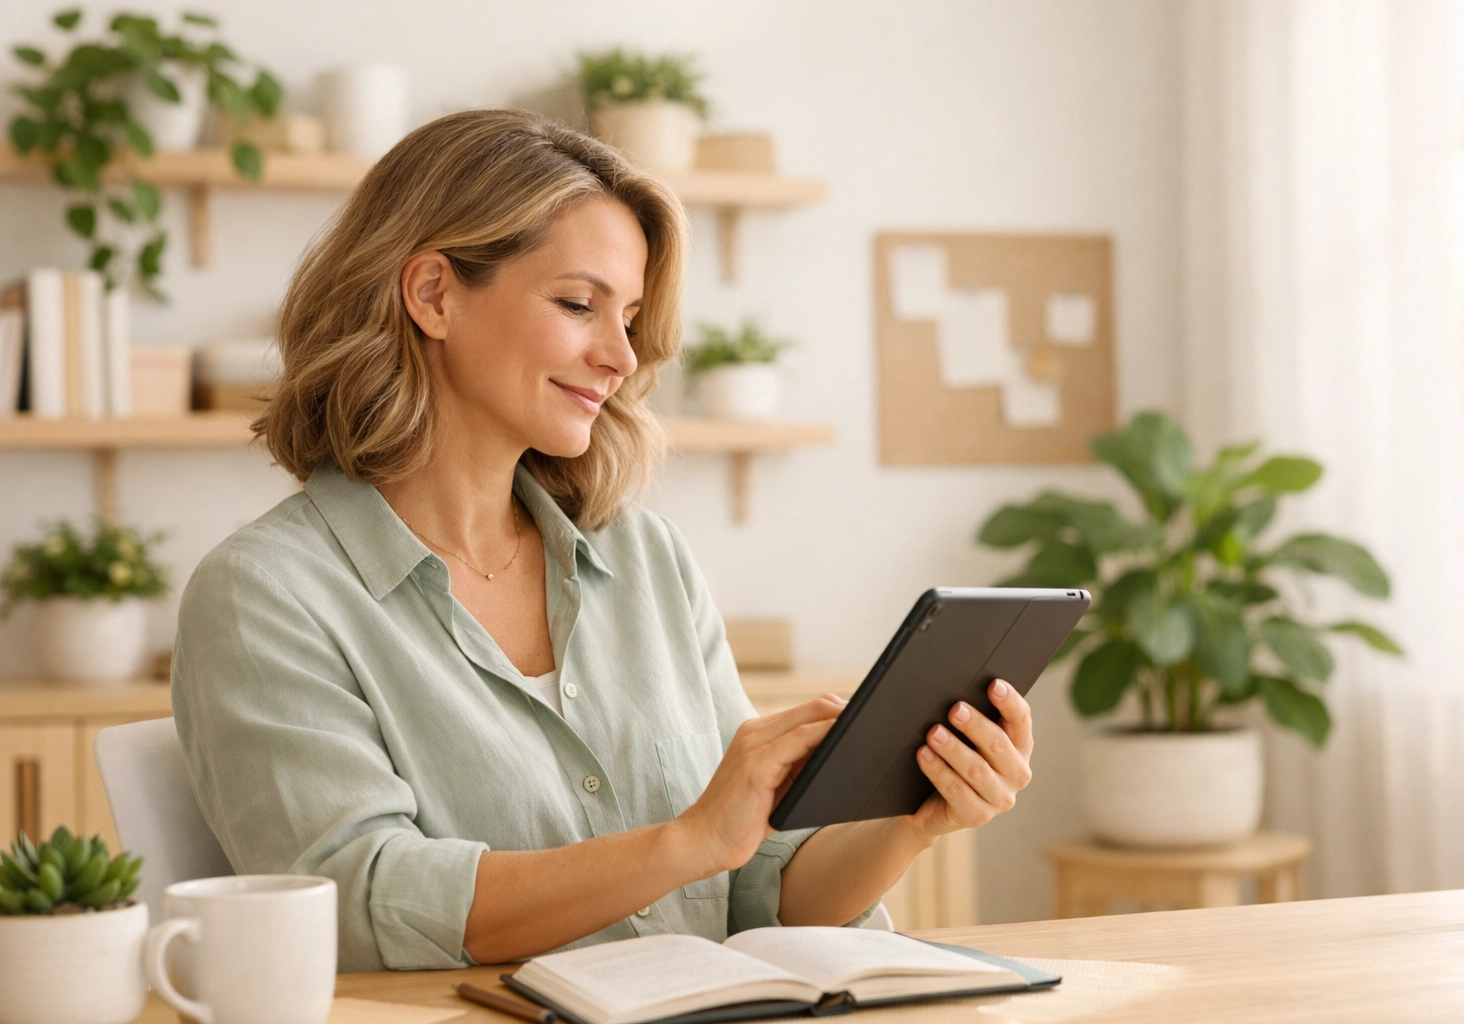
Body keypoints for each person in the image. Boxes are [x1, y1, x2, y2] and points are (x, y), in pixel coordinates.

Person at [172, 109, 1035, 973]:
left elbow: (759, 885)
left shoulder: (645, 559)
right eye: (579, 305)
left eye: (629, 317)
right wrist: (686, 842)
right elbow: (357, 903)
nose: (621, 357)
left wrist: (911, 820)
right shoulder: (264, 595)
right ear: (433, 295)